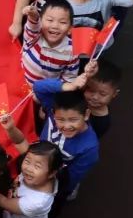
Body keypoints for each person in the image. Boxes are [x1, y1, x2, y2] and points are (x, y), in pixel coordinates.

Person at [31, 70, 100, 206]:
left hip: (56, 179)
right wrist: (69, 86)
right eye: (61, 120)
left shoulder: (90, 148)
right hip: (38, 166)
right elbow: (38, 86)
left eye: (73, 120)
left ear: (86, 115)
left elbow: (71, 178)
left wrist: (58, 193)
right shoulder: (51, 107)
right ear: (53, 113)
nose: (66, 126)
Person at [21, 0, 79, 85]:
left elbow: (69, 79)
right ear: (41, 21)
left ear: (70, 29)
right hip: (20, 82)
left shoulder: (72, 51)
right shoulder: (34, 36)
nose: (55, 26)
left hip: (46, 91)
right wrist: (34, 16)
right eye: (50, 20)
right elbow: (33, 26)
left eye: (62, 22)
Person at [84, 59, 121, 139]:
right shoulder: (79, 96)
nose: (95, 97)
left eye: (102, 94)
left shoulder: (102, 123)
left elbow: (90, 140)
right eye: (91, 90)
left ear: (114, 94)